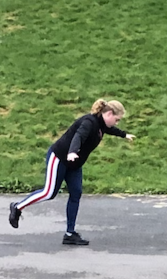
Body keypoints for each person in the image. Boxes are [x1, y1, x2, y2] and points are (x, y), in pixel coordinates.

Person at [8, 99, 132, 245]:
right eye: (117, 120)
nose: (116, 123)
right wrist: (72, 152)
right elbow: (78, 136)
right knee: (49, 192)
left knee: (76, 193)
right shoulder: (89, 122)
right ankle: (17, 207)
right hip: (60, 157)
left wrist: (124, 135)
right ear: (109, 114)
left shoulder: (101, 124)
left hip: (74, 164)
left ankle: (70, 233)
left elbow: (109, 129)